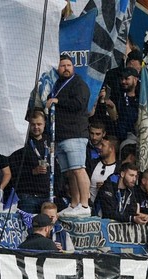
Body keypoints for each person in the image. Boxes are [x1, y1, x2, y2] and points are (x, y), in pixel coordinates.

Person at [47, 54, 92, 217]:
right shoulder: (57, 84)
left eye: (68, 65)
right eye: (62, 66)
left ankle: (85, 205)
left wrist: (58, 101)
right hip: (61, 136)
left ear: (73, 67)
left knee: (79, 169)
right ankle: (74, 203)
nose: (66, 68)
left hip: (75, 134)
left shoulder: (79, 84)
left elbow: (79, 104)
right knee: (69, 172)